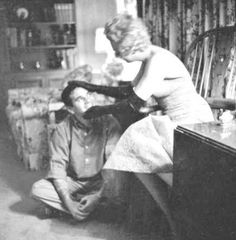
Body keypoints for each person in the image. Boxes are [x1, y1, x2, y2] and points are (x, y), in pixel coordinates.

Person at [71, 13, 214, 235]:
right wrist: (90, 87)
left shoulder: (158, 60)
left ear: (127, 46)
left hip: (193, 122)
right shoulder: (149, 58)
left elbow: (133, 104)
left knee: (134, 137)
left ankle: (183, 203)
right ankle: (173, 212)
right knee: (135, 144)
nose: (116, 54)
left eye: (116, 48)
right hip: (175, 121)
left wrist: (99, 110)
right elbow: (128, 91)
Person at [31, 83, 122, 221]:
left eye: (89, 95)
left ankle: (82, 206)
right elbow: (58, 167)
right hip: (74, 182)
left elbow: (114, 166)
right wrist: (68, 203)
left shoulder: (109, 122)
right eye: (80, 98)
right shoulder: (62, 129)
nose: (88, 100)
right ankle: (86, 208)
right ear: (70, 108)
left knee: (123, 186)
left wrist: (97, 196)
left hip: (102, 181)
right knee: (38, 189)